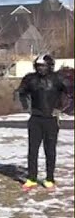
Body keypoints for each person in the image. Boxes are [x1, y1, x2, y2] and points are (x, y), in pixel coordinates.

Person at [17, 54, 70, 191]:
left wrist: (60, 109)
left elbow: (70, 94)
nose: (41, 69)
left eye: (43, 66)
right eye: (39, 66)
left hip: (51, 120)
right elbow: (21, 93)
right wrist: (27, 107)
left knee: (50, 150)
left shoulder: (58, 79)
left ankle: (49, 179)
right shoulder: (30, 79)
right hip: (35, 119)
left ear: (50, 66)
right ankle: (31, 179)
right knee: (33, 150)